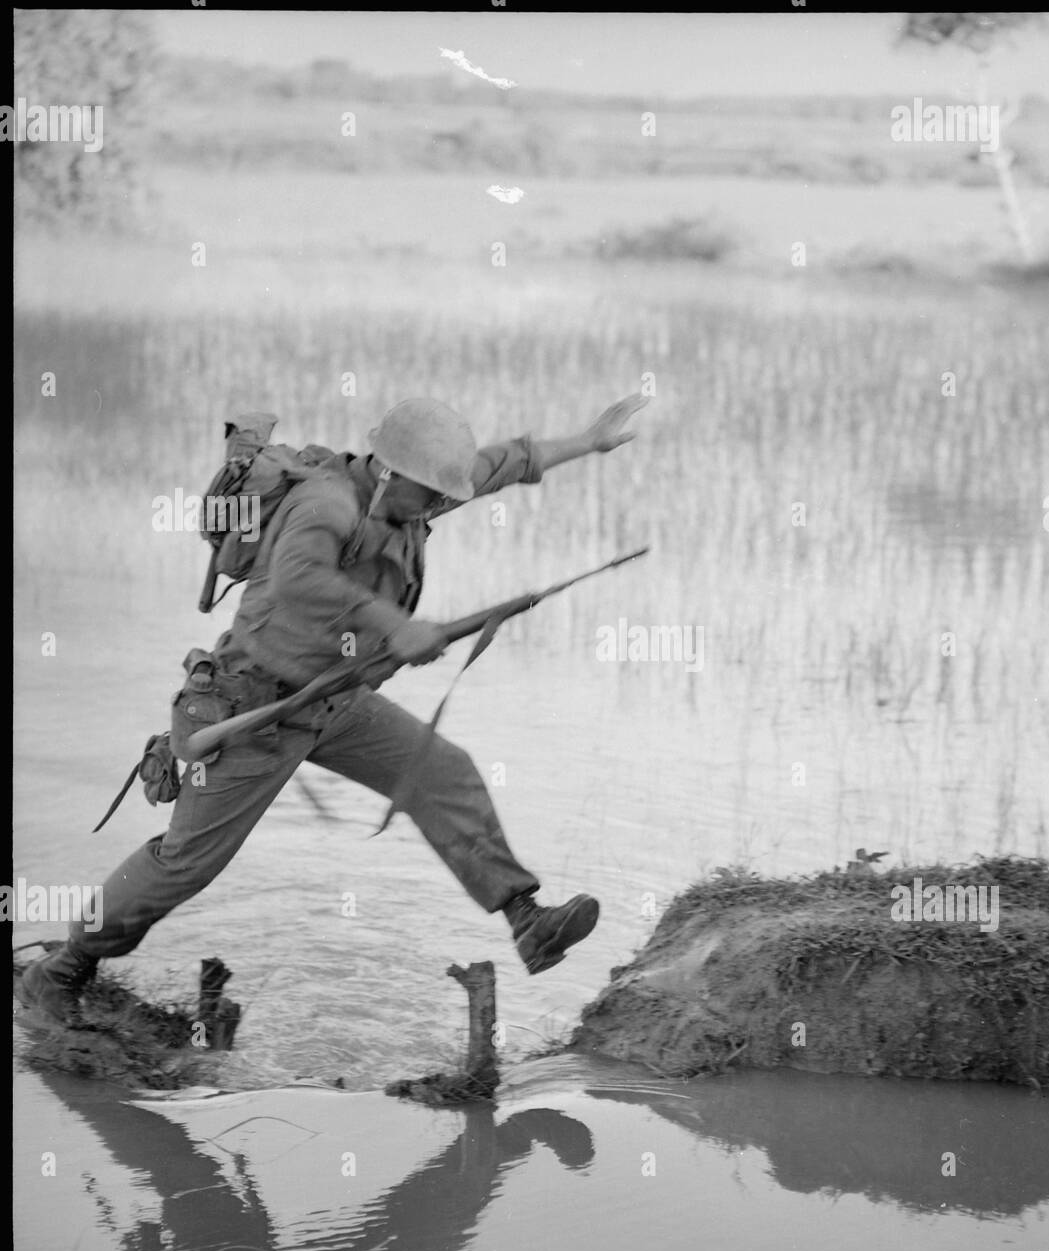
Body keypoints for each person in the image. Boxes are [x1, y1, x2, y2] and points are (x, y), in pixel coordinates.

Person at [21, 393, 649, 1025]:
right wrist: (394, 624)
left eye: (442, 496)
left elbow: (503, 463)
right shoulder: (327, 503)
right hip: (252, 709)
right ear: (388, 473)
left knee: (441, 770)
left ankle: (527, 921)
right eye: (429, 495)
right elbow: (299, 577)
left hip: (333, 699)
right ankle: (65, 968)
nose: (438, 506)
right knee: (185, 864)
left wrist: (588, 440)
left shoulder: (413, 494)